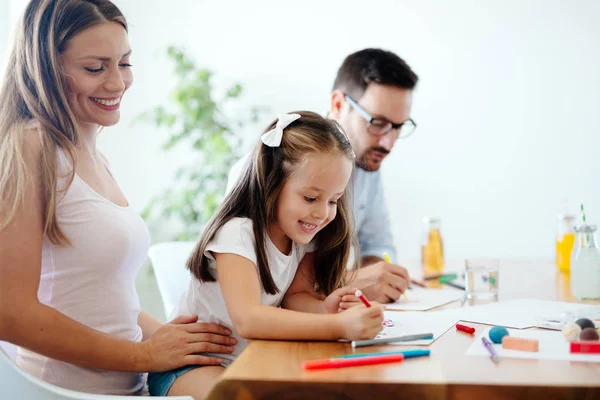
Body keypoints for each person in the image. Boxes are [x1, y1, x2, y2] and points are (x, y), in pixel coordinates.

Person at [0, 0, 234, 395]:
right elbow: (11, 313)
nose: (117, 83)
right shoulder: (30, 147)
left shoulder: (92, 155)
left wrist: (175, 343)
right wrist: (145, 356)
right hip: (63, 393)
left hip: (126, 386)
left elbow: (98, 297)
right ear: (47, 70)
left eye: (124, 63)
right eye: (95, 68)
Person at [149, 112, 384, 399]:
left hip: (249, 362)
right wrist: (338, 325)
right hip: (189, 367)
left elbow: (295, 297)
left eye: (333, 200)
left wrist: (324, 309)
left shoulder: (301, 236)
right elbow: (249, 318)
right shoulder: (237, 233)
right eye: (311, 198)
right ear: (273, 183)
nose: (323, 213)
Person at [227, 49, 420, 303]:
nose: (388, 142)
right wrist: (351, 280)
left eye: (398, 127)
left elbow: (378, 246)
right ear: (338, 104)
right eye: (378, 123)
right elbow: (260, 293)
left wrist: (380, 277)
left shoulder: (366, 164)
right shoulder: (265, 170)